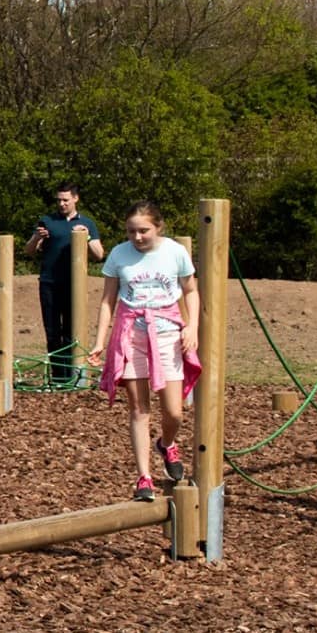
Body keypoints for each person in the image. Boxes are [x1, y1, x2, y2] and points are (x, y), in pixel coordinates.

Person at [87, 200, 201, 501]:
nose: (137, 238)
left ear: (158, 227)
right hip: (132, 334)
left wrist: (192, 327)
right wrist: (100, 340)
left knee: (174, 411)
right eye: (131, 232)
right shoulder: (118, 255)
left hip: (167, 333)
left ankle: (166, 443)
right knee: (139, 409)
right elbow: (108, 301)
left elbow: (191, 291)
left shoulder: (174, 251)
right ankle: (144, 477)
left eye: (143, 231)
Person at [24, 184, 104, 388]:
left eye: (65, 200)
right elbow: (29, 251)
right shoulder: (48, 221)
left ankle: (73, 376)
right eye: (59, 200)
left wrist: (85, 237)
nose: (61, 203)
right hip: (49, 283)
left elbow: (99, 254)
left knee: (72, 331)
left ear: (75, 199)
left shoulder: (86, 223)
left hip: (75, 285)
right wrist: (37, 237)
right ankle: (58, 378)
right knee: (52, 332)